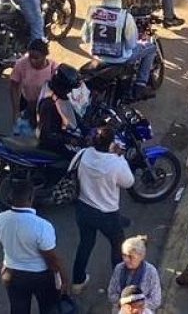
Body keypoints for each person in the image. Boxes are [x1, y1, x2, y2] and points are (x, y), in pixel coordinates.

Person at [71, 125, 135, 293]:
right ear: (111, 143)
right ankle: (119, 285)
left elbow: (72, 170)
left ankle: (78, 281)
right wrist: (120, 157)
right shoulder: (115, 163)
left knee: (85, 243)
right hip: (107, 214)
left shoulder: (83, 154)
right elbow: (129, 182)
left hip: (83, 209)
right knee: (117, 245)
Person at [0, 181, 70, 313]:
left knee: (18, 309)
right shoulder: (42, 226)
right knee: (48, 308)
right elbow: (52, 259)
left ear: (10, 197)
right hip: (41, 276)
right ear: (31, 198)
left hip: (13, 274)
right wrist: (64, 278)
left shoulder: (0, 220)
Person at [82, 0, 159, 100]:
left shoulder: (92, 11)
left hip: (98, 57)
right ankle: (140, 85)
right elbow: (131, 44)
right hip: (120, 59)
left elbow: (85, 38)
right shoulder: (125, 16)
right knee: (151, 48)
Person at [106, 236, 162, 314]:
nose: (126, 259)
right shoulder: (119, 268)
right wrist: (124, 304)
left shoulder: (151, 272)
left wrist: (137, 306)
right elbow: (111, 293)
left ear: (141, 256)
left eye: (130, 256)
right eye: (124, 255)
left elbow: (156, 300)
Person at [36, 64, 84, 155]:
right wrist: (70, 140)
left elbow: (75, 118)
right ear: (62, 86)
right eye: (68, 89)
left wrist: (89, 131)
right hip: (52, 146)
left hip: (62, 136)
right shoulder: (49, 104)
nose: (70, 91)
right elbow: (46, 135)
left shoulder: (62, 99)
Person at [8, 39, 55, 129]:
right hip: (26, 103)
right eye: (30, 57)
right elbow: (13, 86)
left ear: (44, 56)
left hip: (45, 107)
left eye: (36, 58)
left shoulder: (53, 69)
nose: (32, 61)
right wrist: (16, 110)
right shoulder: (21, 64)